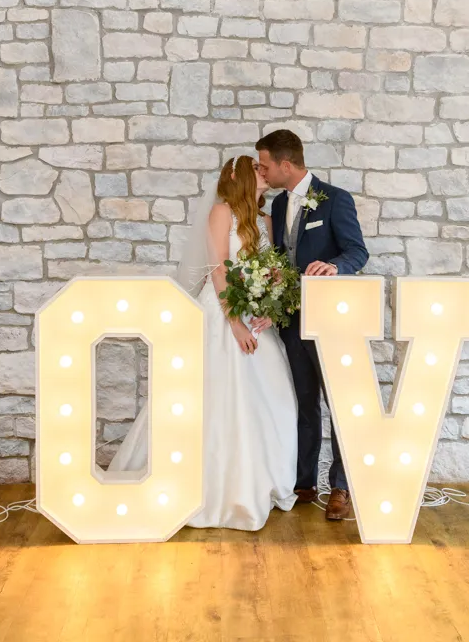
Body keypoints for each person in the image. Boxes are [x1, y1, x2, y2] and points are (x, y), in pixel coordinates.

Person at [107, 155, 298, 532]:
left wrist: (269, 311)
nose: (265, 174)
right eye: (258, 170)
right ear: (241, 177)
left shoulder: (266, 220)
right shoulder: (221, 213)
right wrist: (235, 324)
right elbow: (219, 270)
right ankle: (209, 487)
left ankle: (259, 481)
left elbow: (276, 269)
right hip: (223, 314)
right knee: (216, 399)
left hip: (256, 317)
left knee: (272, 398)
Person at [255, 129, 369, 522]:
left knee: (337, 402)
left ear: (286, 165)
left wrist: (336, 267)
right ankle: (305, 481)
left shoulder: (336, 199)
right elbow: (283, 259)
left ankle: (341, 486)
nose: (262, 172)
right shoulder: (276, 206)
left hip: (328, 320)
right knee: (303, 401)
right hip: (290, 323)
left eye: (265, 165)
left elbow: (358, 251)